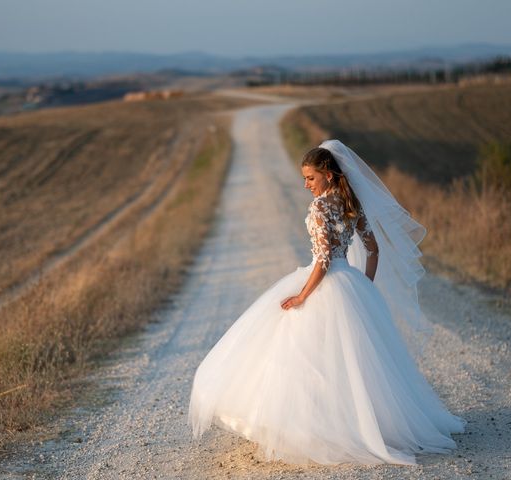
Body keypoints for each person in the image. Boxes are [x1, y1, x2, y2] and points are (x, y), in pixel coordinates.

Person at [187, 139, 466, 466]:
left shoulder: (321, 207)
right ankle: (356, 423)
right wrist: (363, 283)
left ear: (329, 175)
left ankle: (317, 427)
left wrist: (302, 296)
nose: (306, 185)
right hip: (350, 283)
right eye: (305, 178)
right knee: (350, 360)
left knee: (309, 357)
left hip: (324, 283)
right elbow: (373, 249)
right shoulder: (352, 204)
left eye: (311, 178)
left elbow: (321, 261)